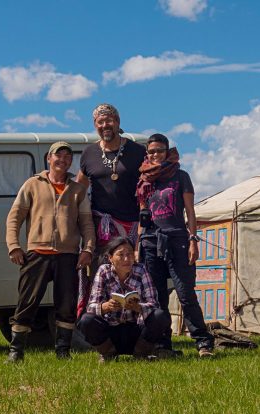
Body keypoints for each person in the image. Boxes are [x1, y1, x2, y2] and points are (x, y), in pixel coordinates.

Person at [6, 141, 95, 362]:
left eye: (67, 157)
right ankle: (16, 352)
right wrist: (14, 246)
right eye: (58, 155)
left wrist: (88, 249)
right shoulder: (32, 184)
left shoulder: (78, 190)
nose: (63, 160)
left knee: (66, 305)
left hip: (68, 256)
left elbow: (87, 223)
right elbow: (14, 217)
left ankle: (63, 351)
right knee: (27, 302)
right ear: (49, 158)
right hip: (37, 253)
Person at [136, 133, 214, 357]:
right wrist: (137, 246)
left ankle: (203, 342)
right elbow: (142, 215)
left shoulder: (180, 176)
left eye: (159, 150)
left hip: (178, 239)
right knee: (157, 296)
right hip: (150, 242)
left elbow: (190, 211)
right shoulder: (144, 180)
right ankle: (163, 344)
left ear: (167, 152)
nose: (155, 155)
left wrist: (193, 240)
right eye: (151, 151)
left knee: (185, 293)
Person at [77, 237, 170, 362]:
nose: (126, 259)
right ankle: (108, 353)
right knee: (86, 320)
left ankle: (141, 353)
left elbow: (153, 303)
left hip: (136, 330)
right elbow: (91, 306)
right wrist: (105, 307)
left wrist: (138, 307)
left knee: (160, 316)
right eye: (120, 255)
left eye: (130, 254)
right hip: (111, 330)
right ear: (110, 258)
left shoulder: (141, 270)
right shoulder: (103, 271)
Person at [76, 103, 146, 256]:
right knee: (102, 275)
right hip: (102, 229)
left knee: (130, 274)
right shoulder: (89, 153)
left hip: (132, 225)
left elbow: (149, 188)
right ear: (95, 125)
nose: (104, 125)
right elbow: (79, 189)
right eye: (100, 122)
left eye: (109, 120)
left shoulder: (138, 151)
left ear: (117, 122)